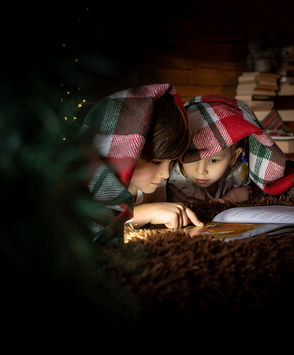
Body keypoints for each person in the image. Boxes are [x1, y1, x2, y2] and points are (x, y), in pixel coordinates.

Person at [80, 84, 203, 240]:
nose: (166, 174)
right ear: (123, 152)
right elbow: (86, 230)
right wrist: (145, 213)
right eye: (156, 162)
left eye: (172, 162)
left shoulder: (150, 185)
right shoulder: (84, 183)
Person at [168, 94, 294, 205]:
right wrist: (228, 200)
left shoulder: (237, 171)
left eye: (213, 160)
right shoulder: (178, 180)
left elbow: (255, 189)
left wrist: (232, 197)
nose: (201, 171)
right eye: (191, 157)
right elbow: (196, 211)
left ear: (233, 158)